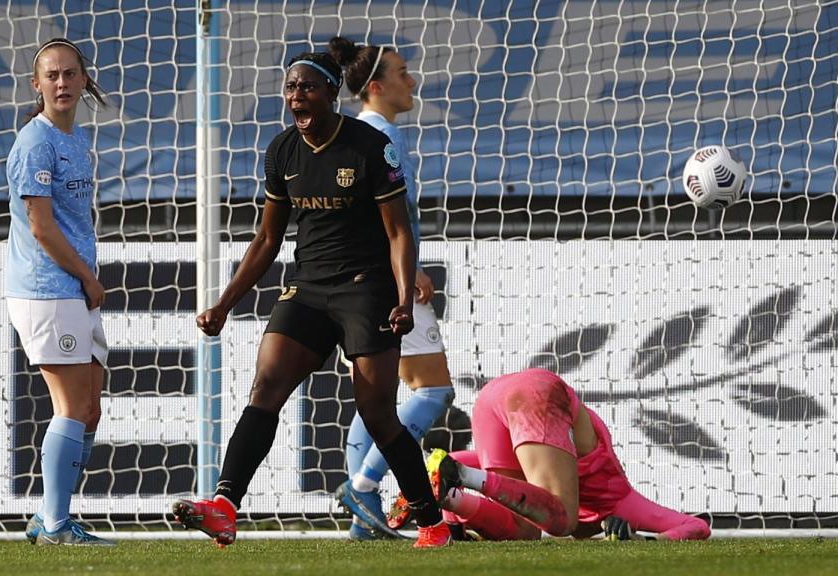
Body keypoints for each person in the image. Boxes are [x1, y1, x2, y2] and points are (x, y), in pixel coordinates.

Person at [172, 51, 451, 548]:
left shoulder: (370, 146)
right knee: (266, 386)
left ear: (330, 93)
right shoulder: (281, 151)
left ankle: (431, 522)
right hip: (308, 287)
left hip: (367, 289)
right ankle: (224, 505)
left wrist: (404, 297)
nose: (296, 96)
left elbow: (399, 232)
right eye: (289, 88)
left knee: (378, 414)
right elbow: (266, 240)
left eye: (306, 88)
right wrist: (224, 303)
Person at [326, 36, 456, 541]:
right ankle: (363, 485)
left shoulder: (355, 133)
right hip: (388, 281)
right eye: (403, 72)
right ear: (376, 86)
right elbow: (379, 216)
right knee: (432, 390)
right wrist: (409, 270)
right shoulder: (379, 136)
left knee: (375, 398)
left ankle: (365, 520)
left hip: (357, 281)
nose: (413, 80)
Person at [391, 368, 710, 541]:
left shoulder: (546, 473)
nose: (595, 536)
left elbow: (454, 461)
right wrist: (649, 542)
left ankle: (452, 499)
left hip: (492, 399)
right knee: (562, 521)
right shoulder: (618, 501)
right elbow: (697, 527)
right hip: (537, 395)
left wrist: (454, 520)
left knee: (526, 529)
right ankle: (462, 483)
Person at [5, 37, 114, 547]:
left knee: (89, 409)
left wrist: (85, 281)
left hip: (72, 290)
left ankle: (52, 516)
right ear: (38, 84)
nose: (63, 83)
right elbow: (42, 227)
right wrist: (90, 278)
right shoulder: (36, 141)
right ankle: (53, 526)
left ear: (85, 79)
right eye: (52, 75)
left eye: (71, 74)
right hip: (48, 289)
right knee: (70, 407)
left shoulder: (76, 139)